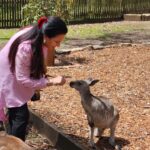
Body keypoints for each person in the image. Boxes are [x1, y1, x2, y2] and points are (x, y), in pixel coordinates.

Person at [0, 16, 68, 141]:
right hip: (7, 75)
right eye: (57, 41)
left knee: (17, 114)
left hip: (14, 70)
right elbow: (23, 79)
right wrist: (51, 81)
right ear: (46, 36)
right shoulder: (26, 47)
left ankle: (11, 140)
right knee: (20, 116)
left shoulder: (37, 34)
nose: (58, 45)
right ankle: (15, 146)